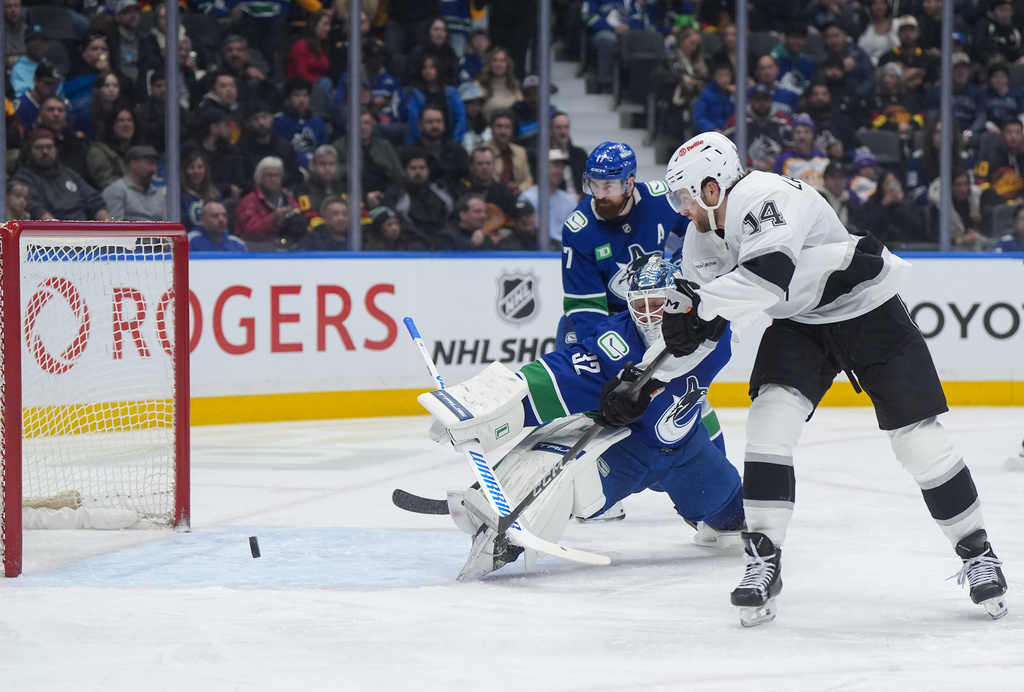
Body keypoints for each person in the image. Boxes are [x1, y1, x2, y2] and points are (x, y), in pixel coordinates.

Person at [660, 131, 1008, 625]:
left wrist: (700, 308)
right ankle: (763, 560)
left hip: (867, 306)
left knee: (918, 441)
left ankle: (978, 554)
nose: (682, 208)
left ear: (712, 187)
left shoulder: (765, 195)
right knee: (768, 424)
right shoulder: (701, 237)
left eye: (684, 196)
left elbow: (765, 278)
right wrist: (645, 378)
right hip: (803, 323)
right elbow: (702, 326)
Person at [421, 256, 744, 580]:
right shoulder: (613, 346)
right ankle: (501, 537)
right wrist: (480, 410)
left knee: (733, 524)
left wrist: (720, 455)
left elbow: (699, 404)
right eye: (639, 304)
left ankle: (702, 513)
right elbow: (552, 378)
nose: (648, 315)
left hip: (689, 453)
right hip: (625, 452)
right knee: (566, 484)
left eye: (658, 303)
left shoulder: (711, 335)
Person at [13, 128, 112, 221]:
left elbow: (94, 200)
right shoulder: (23, 178)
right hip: (52, 233)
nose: (45, 152)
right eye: (39, 147)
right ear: (29, 152)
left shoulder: (68, 173)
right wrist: (61, 235)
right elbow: (36, 209)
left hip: (83, 229)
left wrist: (110, 228)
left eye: (49, 147)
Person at [383, 147, 455, 246]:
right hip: (411, 243)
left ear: (428, 170)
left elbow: (450, 217)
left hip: (442, 241)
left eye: (422, 168)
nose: (418, 172)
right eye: (413, 168)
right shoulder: (396, 194)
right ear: (405, 171)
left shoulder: (440, 191)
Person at [234, 156, 303, 249]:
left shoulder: (289, 198)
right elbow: (248, 233)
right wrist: (272, 219)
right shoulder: (249, 201)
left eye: (277, 175)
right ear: (260, 177)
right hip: (257, 249)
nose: (273, 179)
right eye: (269, 175)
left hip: (286, 246)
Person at [517, 149, 578, 247]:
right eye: (556, 166)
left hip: (563, 252)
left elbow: (577, 233)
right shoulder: (528, 198)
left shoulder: (569, 201)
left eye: (562, 168)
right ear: (543, 168)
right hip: (537, 252)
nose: (559, 171)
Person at [272, 78, 328, 171]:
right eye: (296, 95)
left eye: (305, 95)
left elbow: (323, 148)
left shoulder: (317, 121)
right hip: (290, 168)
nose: (301, 99)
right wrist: (306, 162)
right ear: (287, 98)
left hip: (317, 168)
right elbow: (282, 150)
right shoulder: (279, 121)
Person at [102, 144, 165, 222]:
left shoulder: (157, 193)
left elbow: (166, 224)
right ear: (133, 164)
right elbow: (114, 228)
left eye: (155, 164)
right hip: (129, 233)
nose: (154, 169)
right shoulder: (117, 189)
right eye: (149, 164)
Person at [457, 145, 518, 218]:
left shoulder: (505, 193)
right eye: (480, 164)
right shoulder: (461, 191)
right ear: (471, 166)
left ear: (494, 165)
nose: (484, 167)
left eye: (488, 163)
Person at [483, 109, 533, 194]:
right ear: (491, 128)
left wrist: (520, 189)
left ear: (512, 130)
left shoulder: (520, 152)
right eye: (499, 126)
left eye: (507, 127)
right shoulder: (481, 152)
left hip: (517, 196)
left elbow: (528, 180)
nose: (503, 131)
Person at [773, 114, 829, 189]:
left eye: (806, 132)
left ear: (813, 135)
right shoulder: (784, 161)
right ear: (793, 135)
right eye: (798, 132)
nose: (802, 136)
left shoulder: (823, 159)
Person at [85, 107, 136, 189]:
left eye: (129, 120)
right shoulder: (98, 152)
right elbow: (107, 182)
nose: (126, 124)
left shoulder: (138, 149)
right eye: (121, 120)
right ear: (112, 125)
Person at [293, 145, 344, 223]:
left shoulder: (344, 188)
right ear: (312, 166)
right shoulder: (302, 190)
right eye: (323, 164)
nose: (327, 168)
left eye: (331, 164)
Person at [435, 193, 499, 250]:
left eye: (485, 212)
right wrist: (472, 244)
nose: (483, 215)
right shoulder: (446, 237)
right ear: (463, 215)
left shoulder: (485, 238)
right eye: (477, 211)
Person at [180, 150, 223, 229]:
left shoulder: (215, 194)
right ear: (185, 171)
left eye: (200, 167)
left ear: (206, 170)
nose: (196, 171)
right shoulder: (178, 196)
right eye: (191, 167)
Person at [363, 205, 428, 251]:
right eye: (389, 225)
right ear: (379, 228)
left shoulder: (409, 245)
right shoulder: (371, 248)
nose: (394, 228)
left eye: (396, 223)